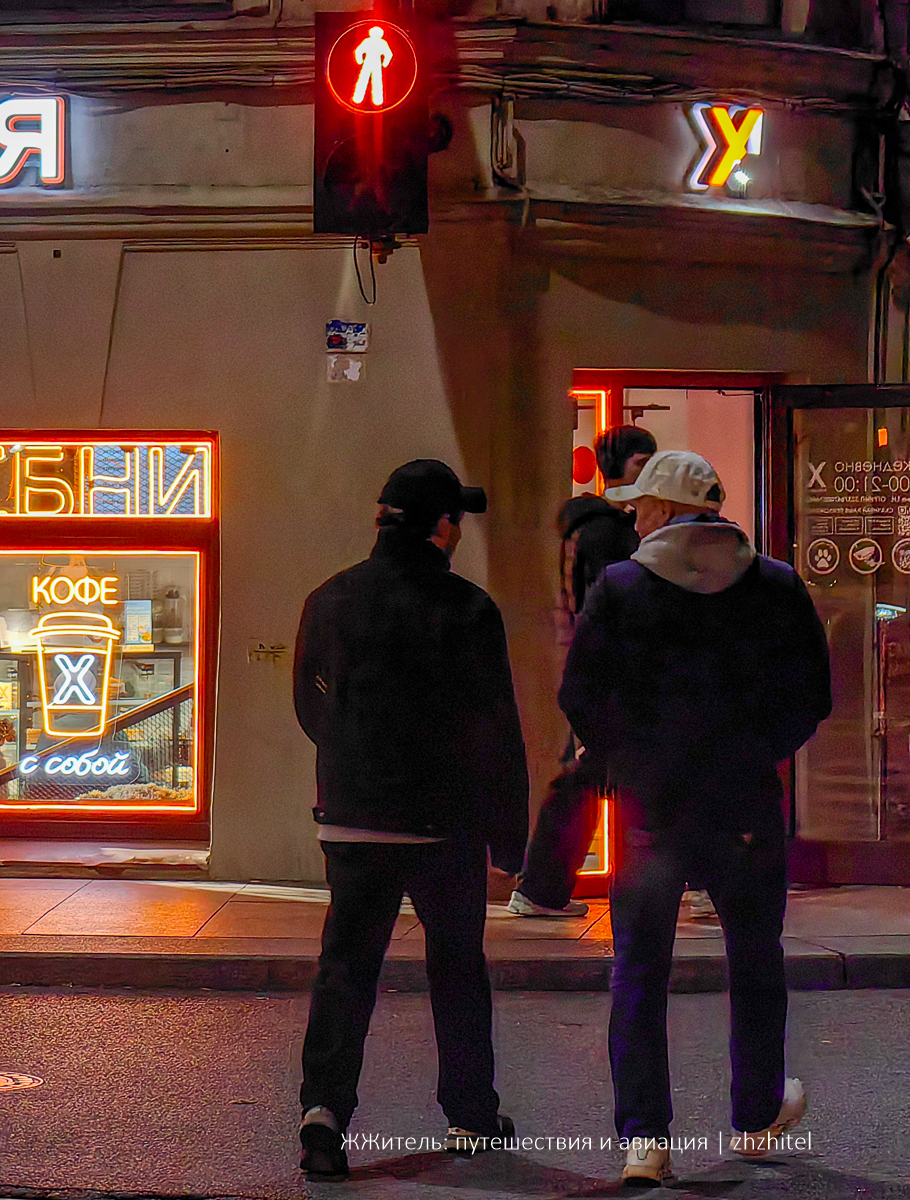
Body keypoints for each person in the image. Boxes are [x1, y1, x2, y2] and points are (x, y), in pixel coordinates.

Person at [559, 450, 831, 1186]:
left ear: (669, 511)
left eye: (642, 506)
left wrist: (632, 761)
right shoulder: (775, 586)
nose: (633, 516)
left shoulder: (619, 588)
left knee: (640, 971)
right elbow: (812, 694)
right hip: (744, 807)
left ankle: (645, 1138)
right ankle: (753, 1115)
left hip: (651, 810)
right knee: (755, 962)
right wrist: (758, 754)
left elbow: (581, 694)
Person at [293, 459, 528, 1179]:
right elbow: (498, 728)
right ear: (443, 526)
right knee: (457, 967)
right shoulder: (468, 608)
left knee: (346, 968)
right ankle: (469, 1115)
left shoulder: (328, 599)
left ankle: (324, 1116)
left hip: (353, 818)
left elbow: (309, 706)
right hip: (443, 825)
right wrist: (510, 835)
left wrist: (348, 765)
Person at [510, 425, 657, 919]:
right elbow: (609, 610)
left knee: (591, 777)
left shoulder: (592, 529)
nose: (648, 471)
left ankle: (542, 887)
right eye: (641, 462)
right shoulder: (609, 534)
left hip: (598, 674)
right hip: (612, 677)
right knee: (592, 777)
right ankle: (541, 886)